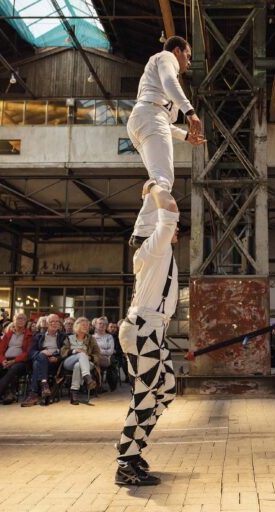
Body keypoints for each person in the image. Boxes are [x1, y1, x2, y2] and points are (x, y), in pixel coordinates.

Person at [116, 180, 179, 486]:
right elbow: (170, 209)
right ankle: (126, 462)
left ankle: (133, 446)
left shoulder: (156, 251)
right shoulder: (154, 248)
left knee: (166, 390)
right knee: (144, 394)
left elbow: (159, 215)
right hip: (144, 330)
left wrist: (145, 199)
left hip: (150, 330)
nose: (176, 231)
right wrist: (155, 185)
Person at [128, 35, 205, 247]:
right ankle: (143, 231)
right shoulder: (166, 58)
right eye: (188, 56)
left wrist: (185, 136)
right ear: (177, 51)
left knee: (158, 179)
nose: (189, 62)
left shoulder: (152, 77)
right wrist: (190, 112)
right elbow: (169, 84)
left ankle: (146, 229)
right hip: (150, 118)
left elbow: (159, 120)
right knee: (164, 179)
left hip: (142, 119)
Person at [22, 314, 67, 407]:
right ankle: (44, 385)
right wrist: (41, 353)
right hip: (42, 360)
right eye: (52, 321)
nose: (55, 323)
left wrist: (57, 358)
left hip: (55, 363)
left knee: (36, 364)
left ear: (59, 324)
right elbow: (31, 352)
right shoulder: (38, 336)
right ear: (47, 323)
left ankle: (34, 393)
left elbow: (65, 352)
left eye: (57, 321)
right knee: (40, 359)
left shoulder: (63, 336)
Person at [0, 312, 33, 404]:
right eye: (18, 318)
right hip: (6, 360)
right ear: (14, 320)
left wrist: (14, 361)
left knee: (13, 369)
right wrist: (3, 361)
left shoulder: (29, 335)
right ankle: (7, 391)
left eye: (23, 319)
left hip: (21, 362)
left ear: (26, 322)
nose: (21, 320)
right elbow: (0, 351)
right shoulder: (8, 334)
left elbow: (27, 353)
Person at [93, 317, 117, 391]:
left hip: (107, 359)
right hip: (94, 358)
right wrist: (103, 351)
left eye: (104, 324)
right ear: (96, 325)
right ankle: (95, 385)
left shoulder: (109, 337)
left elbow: (110, 351)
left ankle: (97, 386)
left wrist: (98, 351)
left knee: (95, 361)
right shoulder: (92, 337)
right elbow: (91, 350)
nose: (102, 325)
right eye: (100, 323)